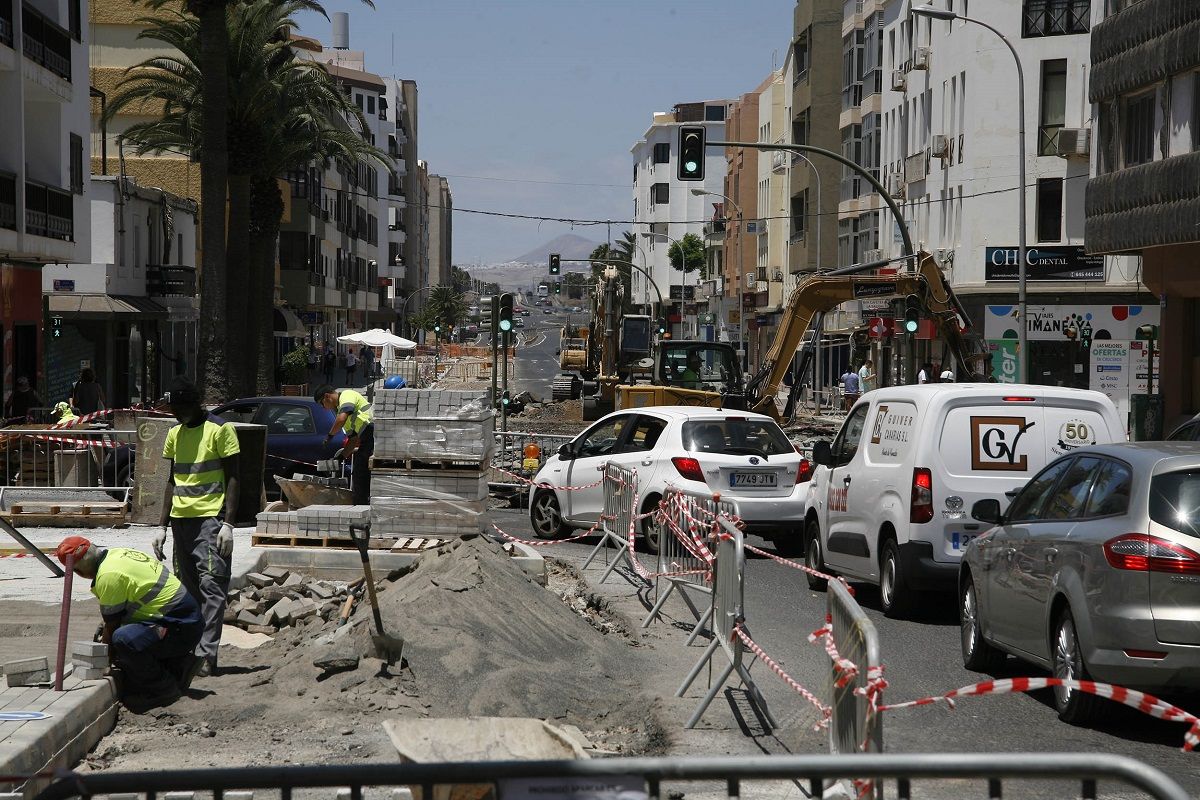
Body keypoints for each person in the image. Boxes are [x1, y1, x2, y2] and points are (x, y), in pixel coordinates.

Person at [153, 376, 240, 678]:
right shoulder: (174, 433)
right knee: (189, 592)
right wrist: (161, 525)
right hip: (181, 522)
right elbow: (171, 480)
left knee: (212, 587)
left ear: (193, 404)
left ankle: (206, 655)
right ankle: (189, 652)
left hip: (210, 521)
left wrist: (229, 523)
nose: (175, 414)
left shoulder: (220, 429)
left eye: (179, 408)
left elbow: (233, 477)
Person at [55, 536, 204, 711]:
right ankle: (178, 666)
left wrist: (103, 663)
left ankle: (164, 690)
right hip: (185, 618)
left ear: (79, 572)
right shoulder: (117, 554)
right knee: (122, 636)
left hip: (181, 628)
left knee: (123, 639)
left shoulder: (108, 576)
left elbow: (112, 629)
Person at [315, 384, 373, 504]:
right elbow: (352, 440)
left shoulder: (347, 395)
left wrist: (329, 436)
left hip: (373, 433)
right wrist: (341, 457)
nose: (324, 407)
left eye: (322, 403)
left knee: (361, 472)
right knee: (358, 472)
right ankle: (361, 504)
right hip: (366, 439)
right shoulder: (341, 412)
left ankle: (362, 505)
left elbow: (341, 419)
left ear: (327, 396)